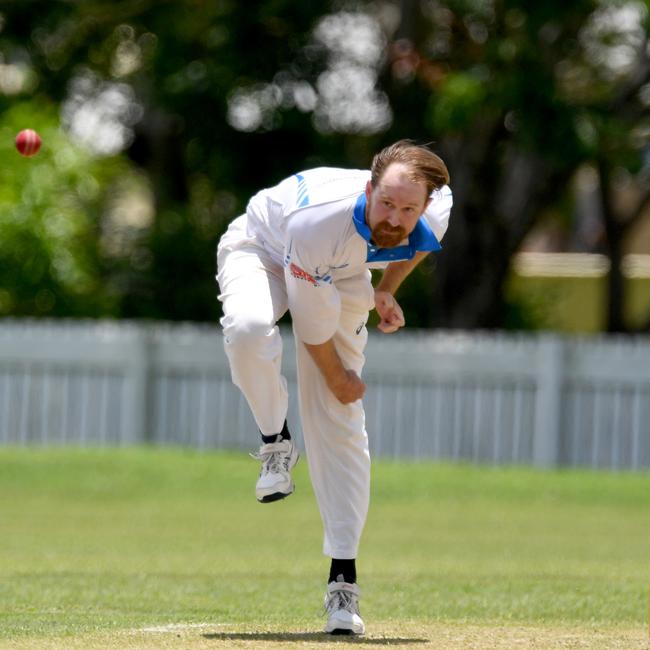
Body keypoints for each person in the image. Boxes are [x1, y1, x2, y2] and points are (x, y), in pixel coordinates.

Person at [216, 140, 452, 635]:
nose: (394, 216)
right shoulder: (319, 220)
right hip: (263, 248)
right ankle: (275, 440)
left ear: (426, 205)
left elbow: (414, 246)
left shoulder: (437, 206)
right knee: (249, 329)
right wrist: (341, 377)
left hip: (343, 272)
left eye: (409, 208)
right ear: (369, 187)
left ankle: (342, 583)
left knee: (339, 420)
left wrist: (384, 290)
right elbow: (308, 326)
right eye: (386, 202)